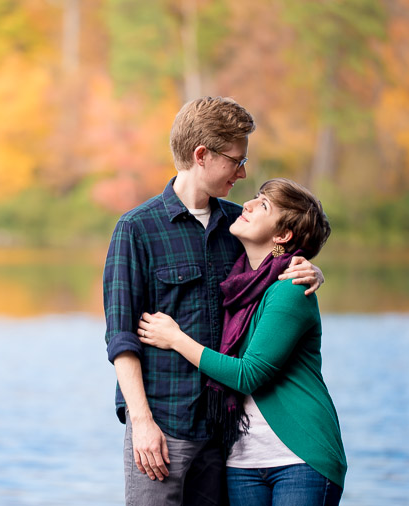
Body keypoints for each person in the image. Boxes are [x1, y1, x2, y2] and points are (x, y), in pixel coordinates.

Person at [103, 97, 324, 506]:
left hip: (224, 438)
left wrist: (312, 270)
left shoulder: (237, 224)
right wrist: (142, 422)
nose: (243, 173)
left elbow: (276, 263)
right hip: (162, 430)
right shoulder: (136, 229)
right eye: (235, 161)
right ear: (201, 155)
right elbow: (121, 340)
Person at [136, 178, 345, 505]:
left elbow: (249, 374)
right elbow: (281, 256)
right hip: (243, 460)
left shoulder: (289, 289)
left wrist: (176, 339)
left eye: (262, 205)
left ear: (282, 236)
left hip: (299, 458)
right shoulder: (242, 279)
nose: (246, 205)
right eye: (255, 198)